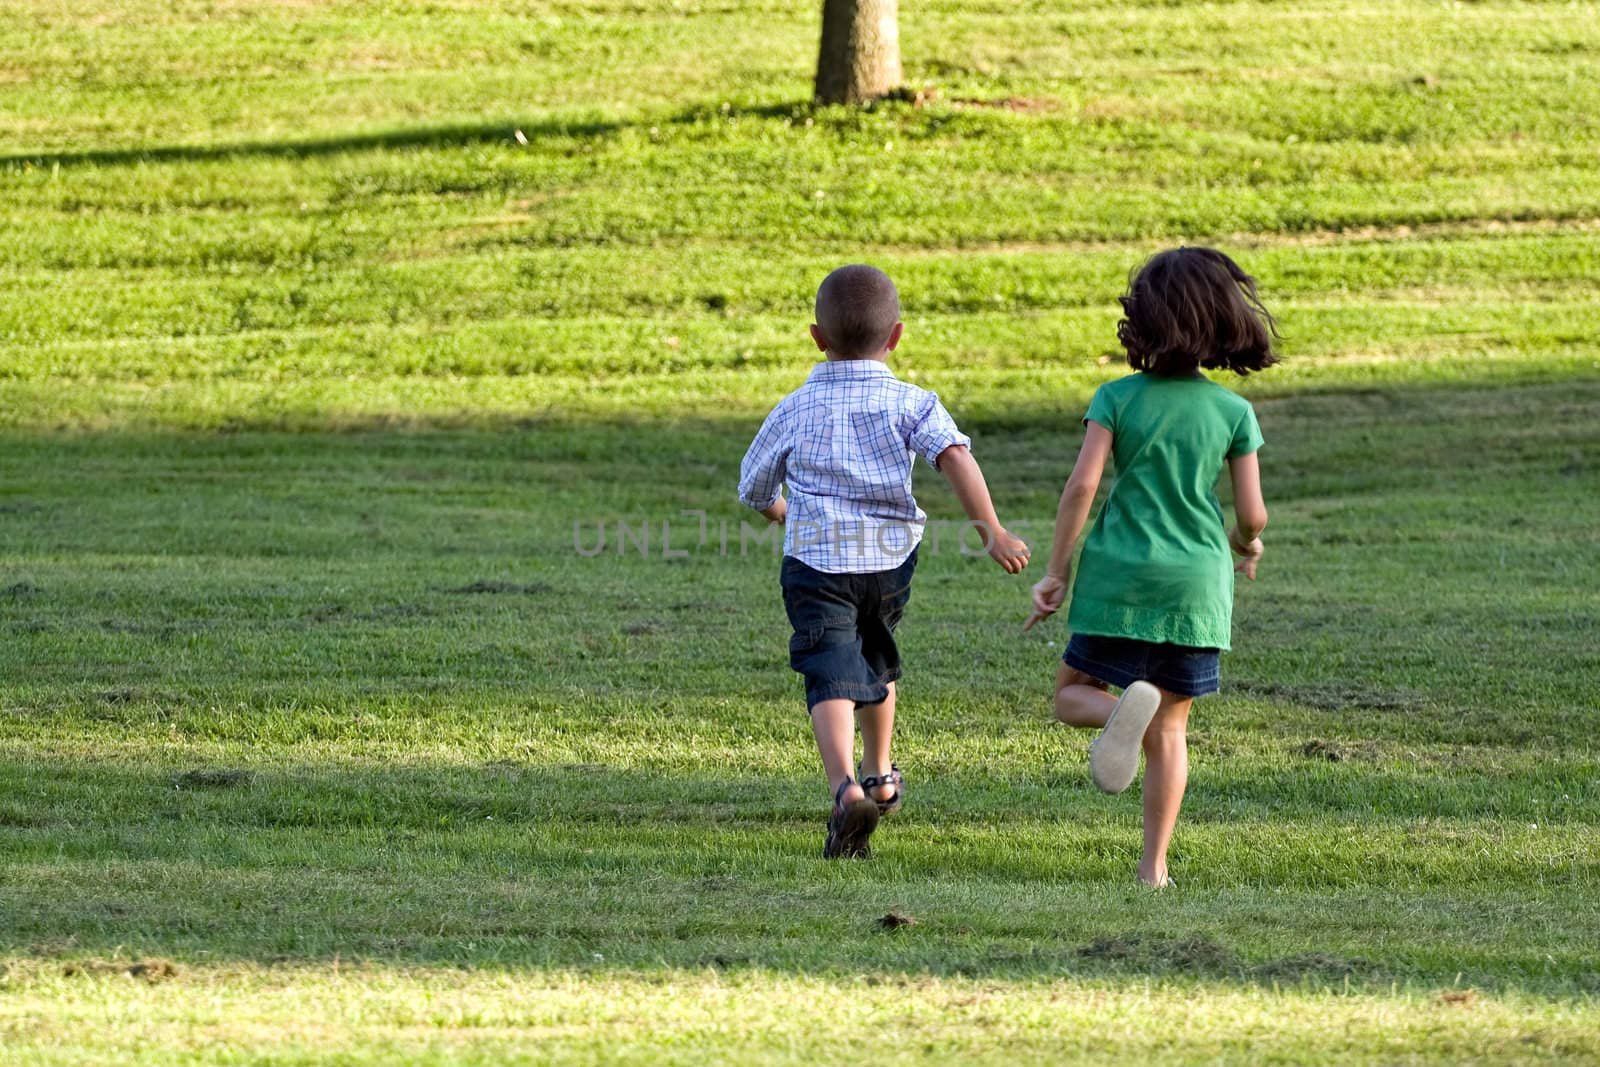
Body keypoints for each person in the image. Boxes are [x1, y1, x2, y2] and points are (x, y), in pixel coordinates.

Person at [739, 264, 1031, 859]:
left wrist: (783, 513)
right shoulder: (911, 401)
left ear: (817, 338)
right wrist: (991, 532)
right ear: (895, 336)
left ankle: (844, 790)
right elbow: (954, 457)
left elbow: (753, 486)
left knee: (829, 668)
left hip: (818, 563)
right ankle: (881, 775)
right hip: (889, 565)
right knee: (877, 655)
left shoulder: (795, 406)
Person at [1024, 247, 1278, 888]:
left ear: (1142, 322)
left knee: (1069, 695)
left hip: (1119, 576)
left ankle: (1114, 713)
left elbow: (1082, 488)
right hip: (1195, 586)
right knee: (1170, 729)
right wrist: (1245, 544)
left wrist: (1056, 571)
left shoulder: (1116, 397)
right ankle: (1154, 869)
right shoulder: (1232, 412)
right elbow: (1252, 513)